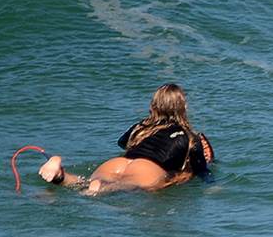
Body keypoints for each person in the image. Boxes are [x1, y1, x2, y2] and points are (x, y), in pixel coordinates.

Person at [37, 83, 213, 195]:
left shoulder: (140, 127)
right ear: (183, 107)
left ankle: (61, 175)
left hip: (116, 164)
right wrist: (211, 180)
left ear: (154, 106)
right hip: (146, 170)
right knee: (122, 189)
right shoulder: (190, 136)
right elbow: (202, 172)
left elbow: (122, 143)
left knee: (85, 184)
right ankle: (100, 187)